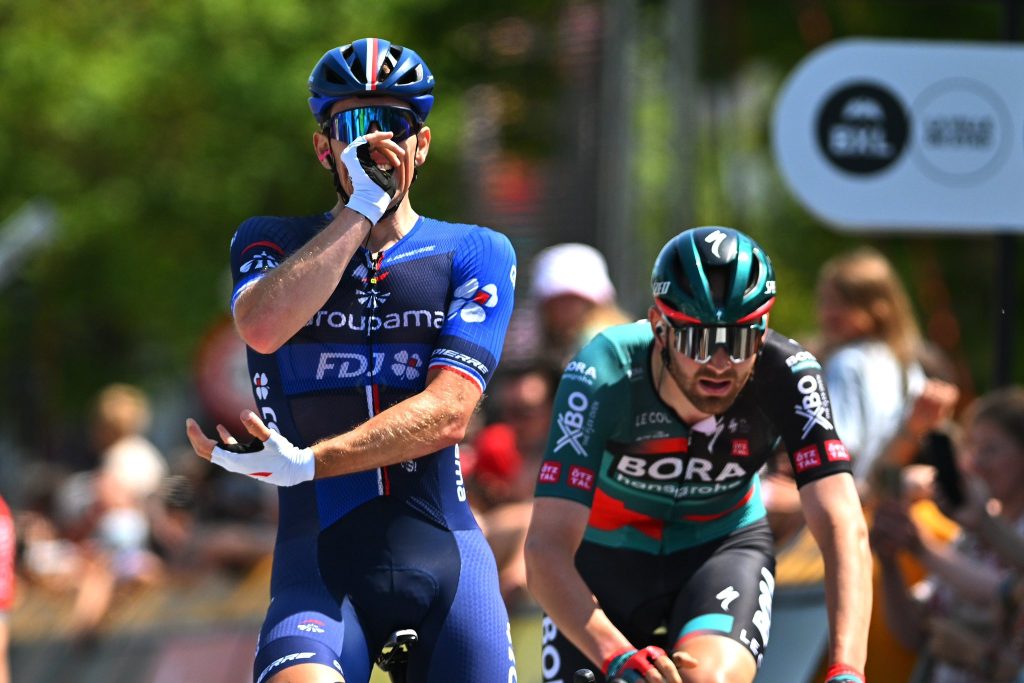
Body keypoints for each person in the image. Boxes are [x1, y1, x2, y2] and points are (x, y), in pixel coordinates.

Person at [184, 38, 519, 683]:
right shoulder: (270, 240)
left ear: (422, 145)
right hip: (317, 563)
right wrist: (361, 210)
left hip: (444, 557)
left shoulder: (475, 249)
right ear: (324, 148)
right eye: (356, 125)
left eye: (394, 123)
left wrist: (310, 463)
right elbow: (261, 328)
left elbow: (449, 412)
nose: (376, 143)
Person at [524, 226, 871, 683]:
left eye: (740, 340)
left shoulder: (789, 375)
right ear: (659, 328)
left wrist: (847, 669)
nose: (720, 363)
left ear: (763, 333)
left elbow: (843, 527)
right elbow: (546, 547)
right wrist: (616, 657)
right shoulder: (602, 373)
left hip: (721, 549)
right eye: (699, 341)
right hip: (604, 558)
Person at [872, 386, 1024, 682]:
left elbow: (1006, 591)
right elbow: (912, 633)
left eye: (991, 450)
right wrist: (889, 561)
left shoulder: (995, 529)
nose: (976, 462)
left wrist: (922, 548)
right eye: (972, 448)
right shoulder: (971, 535)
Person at [531, 242, 632, 368]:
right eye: (560, 300)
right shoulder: (556, 348)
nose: (566, 308)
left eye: (574, 300)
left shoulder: (600, 341)